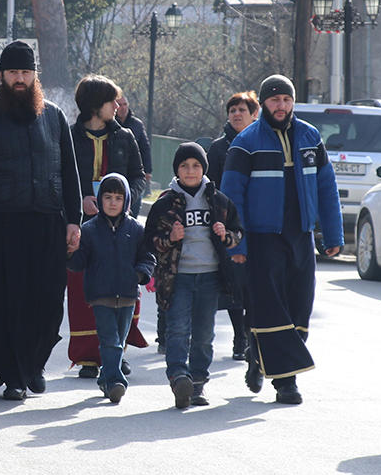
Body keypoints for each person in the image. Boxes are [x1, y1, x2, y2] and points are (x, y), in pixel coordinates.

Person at [0, 40, 82, 401]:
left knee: (47, 301)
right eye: (13, 72)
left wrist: (73, 220)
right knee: (8, 302)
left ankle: (35, 363)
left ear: (34, 76)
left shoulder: (55, 116)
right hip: (2, 223)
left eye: (26, 72)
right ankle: (14, 375)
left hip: (48, 220)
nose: (20, 79)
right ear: (1, 75)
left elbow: (70, 173)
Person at [220, 74, 342, 405]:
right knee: (272, 308)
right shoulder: (246, 142)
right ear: (264, 104)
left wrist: (332, 234)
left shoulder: (310, 137)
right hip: (262, 240)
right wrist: (237, 244)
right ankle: (286, 382)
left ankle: (259, 354)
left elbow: (326, 188)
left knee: (300, 306)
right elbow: (231, 198)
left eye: (286, 100)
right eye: (275, 100)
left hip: (299, 236)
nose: (281, 106)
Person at [144, 142, 242, 409]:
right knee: (177, 330)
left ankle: (197, 383)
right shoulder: (165, 203)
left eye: (196, 166)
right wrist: (169, 238)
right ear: (177, 170)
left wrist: (226, 234)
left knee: (203, 334)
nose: (190, 171)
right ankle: (178, 378)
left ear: (204, 169)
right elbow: (150, 240)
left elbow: (237, 232)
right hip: (178, 278)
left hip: (209, 276)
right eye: (185, 166)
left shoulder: (218, 201)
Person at [67, 74, 148, 379]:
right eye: (110, 100)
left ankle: (115, 355)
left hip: (120, 228)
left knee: (123, 288)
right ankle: (89, 358)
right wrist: (80, 201)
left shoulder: (125, 136)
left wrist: (122, 200)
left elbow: (139, 177)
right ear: (93, 105)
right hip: (83, 227)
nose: (117, 105)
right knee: (81, 290)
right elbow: (59, 178)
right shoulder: (69, 137)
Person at [66, 173, 155, 404]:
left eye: (118, 197)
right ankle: (116, 381)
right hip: (100, 296)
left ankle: (106, 379)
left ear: (126, 200)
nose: (113, 202)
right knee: (110, 340)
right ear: (99, 199)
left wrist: (140, 274)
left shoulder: (136, 228)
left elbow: (147, 256)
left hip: (127, 296)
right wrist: (70, 250)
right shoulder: (90, 229)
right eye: (108, 197)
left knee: (120, 339)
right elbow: (78, 263)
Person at [203, 91, 260, 361]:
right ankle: (240, 337)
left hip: (260, 223)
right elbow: (209, 187)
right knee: (235, 283)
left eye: (242, 110)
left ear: (254, 115)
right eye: (233, 110)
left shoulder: (263, 144)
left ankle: (251, 335)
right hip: (229, 225)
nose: (237, 114)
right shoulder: (218, 148)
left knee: (254, 285)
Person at [115, 92, 152, 187]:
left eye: (125, 104)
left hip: (134, 171)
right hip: (115, 171)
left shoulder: (137, 124)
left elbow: (145, 148)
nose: (123, 108)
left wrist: (147, 170)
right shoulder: (110, 124)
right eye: (119, 105)